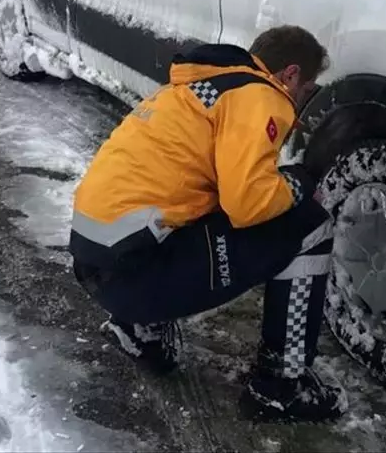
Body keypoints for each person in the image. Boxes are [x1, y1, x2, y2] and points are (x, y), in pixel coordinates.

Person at [68, 25, 345, 423]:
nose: (302, 101)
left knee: (195, 204)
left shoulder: (192, 90)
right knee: (309, 225)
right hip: (137, 273)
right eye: (306, 90)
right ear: (290, 74)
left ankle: (138, 330)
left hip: (96, 263)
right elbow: (248, 204)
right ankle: (282, 386)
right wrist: (303, 180)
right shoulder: (260, 94)